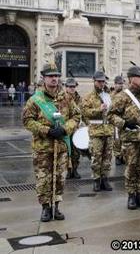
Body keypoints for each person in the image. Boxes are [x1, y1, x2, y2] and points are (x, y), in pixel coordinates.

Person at [22, 63, 81, 222]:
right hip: (42, 147)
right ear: (44, 78)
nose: (54, 79)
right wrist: (46, 131)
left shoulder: (67, 98)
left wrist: (64, 129)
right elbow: (27, 121)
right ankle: (45, 208)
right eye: (51, 76)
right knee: (43, 179)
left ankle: (56, 206)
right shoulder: (35, 100)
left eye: (56, 76)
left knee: (59, 178)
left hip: (61, 146)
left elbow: (76, 117)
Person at [108, 66, 140, 210]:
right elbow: (110, 115)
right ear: (131, 78)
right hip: (129, 138)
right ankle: (131, 196)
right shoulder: (122, 96)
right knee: (131, 167)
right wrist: (124, 123)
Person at [81, 71, 114, 192]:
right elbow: (85, 113)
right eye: (99, 81)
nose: (101, 83)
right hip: (96, 132)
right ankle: (96, 180)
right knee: (96, 157)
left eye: (103, 81)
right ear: (94, 81)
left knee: (108, 157)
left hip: (108, 130)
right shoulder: (88, 97)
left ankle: (105, 179)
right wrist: (98, 110)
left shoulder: (109, 95)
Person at [64, 78, 82, 179]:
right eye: (70, 87)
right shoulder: (62, 98)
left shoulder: (79, 99)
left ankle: (74, 170)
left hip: (76, 129)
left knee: (76, 152)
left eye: (73, 87)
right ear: (66, 87)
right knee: (66, 151)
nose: (72, 88)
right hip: (65, 128)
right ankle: (67, 170)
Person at [111, 75, 125, 166]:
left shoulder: (125, 94)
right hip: (115, 120)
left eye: (122, 84)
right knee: (117, 139)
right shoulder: (111, 95)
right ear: (115, 84)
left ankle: (123, 156)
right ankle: (117, 156)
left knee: (124, 138)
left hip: (124, 120)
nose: (120, 85)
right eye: (119, 84)